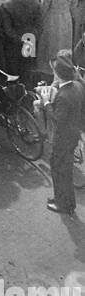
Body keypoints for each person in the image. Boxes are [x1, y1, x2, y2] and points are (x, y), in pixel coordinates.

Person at [46, 55, 85, 215]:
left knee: (60, 169)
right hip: (73, 134)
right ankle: (60, 198)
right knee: (62, 168)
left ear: (59, 74)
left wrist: (47, 103)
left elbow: (57, 119)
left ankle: (64, 204)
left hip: (63, 138)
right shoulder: (77, 86)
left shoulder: (63, 95)